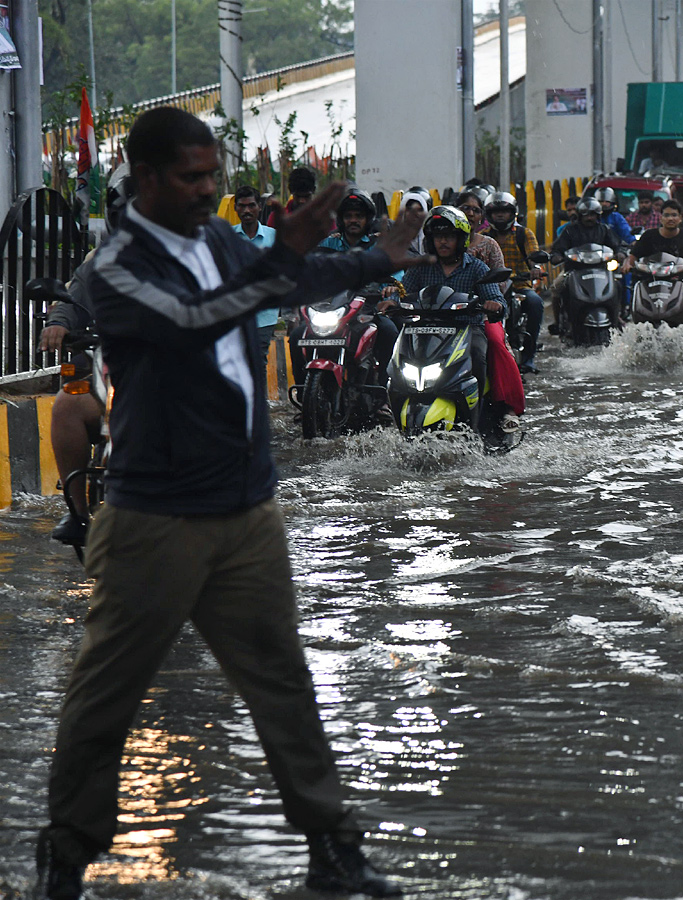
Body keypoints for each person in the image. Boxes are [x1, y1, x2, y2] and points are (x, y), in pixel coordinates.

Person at [34, 106, 429, 900]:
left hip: (246, 511)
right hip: (156, 520)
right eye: (190, 177)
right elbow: (193, 320)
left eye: (213, 175)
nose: (207, 190)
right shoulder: (116, 268)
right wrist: (281, 253)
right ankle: (66, 862)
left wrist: (367, 264)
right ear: (145, 179)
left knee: (282, 680)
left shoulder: (217, 240)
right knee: (106, 695)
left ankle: (333, 851)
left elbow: (280, 282)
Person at [35, 164, 135, 547]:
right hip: (112, 379)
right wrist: (58, 321)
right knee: (66, 404)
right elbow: (72, 299)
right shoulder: (99, 262)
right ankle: (78, 513)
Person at [400, 206, 519, 432]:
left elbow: (497, 298)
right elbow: (403, 291)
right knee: (398, 360)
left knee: (478, 355)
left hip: (467, 329)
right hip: (424, 330)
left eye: (449, 237)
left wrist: (493, 304)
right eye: (438, 237)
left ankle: (479, 418)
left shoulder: (476, 268)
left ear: (461, 239)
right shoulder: (421, 267)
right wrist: (392, 300)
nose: (443, 242)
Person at [289, 188, 400, 387]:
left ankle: (384, 394)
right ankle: (302, 393)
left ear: (368, 219)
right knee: (297, 336)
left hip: (368, 312)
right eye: (348, 216)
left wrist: (391, 290)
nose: (353, 220)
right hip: (331, 310)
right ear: (341, 219)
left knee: (390, 331)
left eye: (359, 216)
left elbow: (396, 276)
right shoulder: (327, 244)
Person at [483, 191, 545, 373]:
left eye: (505, 211)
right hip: (491, 288)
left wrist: (535, 267)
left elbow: (534, 254)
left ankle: (528, 357)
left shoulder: (524, 234)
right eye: (496, 212)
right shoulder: (483, 236)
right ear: (489, 215)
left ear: (513, 213)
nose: (500, 215)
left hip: (519, 286)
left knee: (536, 303)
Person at [549, 196, 625, 332]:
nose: (590, 218)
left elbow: (616, 245)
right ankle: (558, 322)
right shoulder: (569, 230)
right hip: (574, 270)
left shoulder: (604, 230)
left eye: (593, 214)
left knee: (618, 285)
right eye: (586, 215)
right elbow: (557, 248)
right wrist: (557, 256)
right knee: (557, 286)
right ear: (580, 215)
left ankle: (616, 316)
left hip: (601, 270)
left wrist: (620, 253)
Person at [232, 185, 279, 368]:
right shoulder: (228, 237)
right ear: (236, 208)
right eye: (242, 206)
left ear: (259, 206)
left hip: (264, 315)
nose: (247, 211)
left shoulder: (273, 237)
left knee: (258, 362)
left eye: (251, 205)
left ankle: (259, 397)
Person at [624, 198, 683, 274]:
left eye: (674, 215)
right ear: (661, 218)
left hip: (679, 282)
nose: (670, 218)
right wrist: (627, 265)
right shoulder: (649, 235)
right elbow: (632, 258)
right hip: (650, 282)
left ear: (680, 218)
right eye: (666, 215)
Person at [456, 188, 505, 272]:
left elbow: (500, 280)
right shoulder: (445, 242)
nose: (470, 214)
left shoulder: (489, 245)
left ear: (481, 218)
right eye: (466, 208)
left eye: (476, 210)